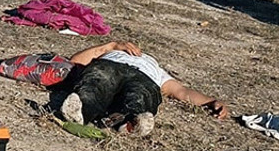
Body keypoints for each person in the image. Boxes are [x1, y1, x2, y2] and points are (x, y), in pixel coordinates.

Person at [60, 41, 227, 136]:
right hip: (111, 66)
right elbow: (76, 61)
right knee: (97, 82)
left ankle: (132, 121)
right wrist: (111, 46)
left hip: (145, 78)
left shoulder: (156, 70)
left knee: (141, 95)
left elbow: (181, 91)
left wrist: (210, 101)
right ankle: (81, 109)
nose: (137, 51)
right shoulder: (111, 52)